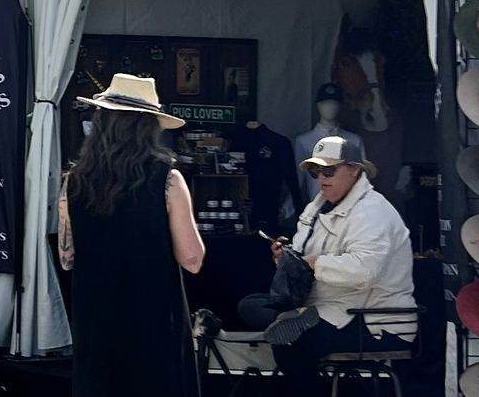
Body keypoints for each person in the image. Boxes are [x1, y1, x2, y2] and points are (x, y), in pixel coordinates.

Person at [58, 75, 204, 397]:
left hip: (96, 317)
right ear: (148, 127)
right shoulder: (168, 179)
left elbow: (67, 259)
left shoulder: (74, 182)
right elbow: (192, 260)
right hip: (153, 318)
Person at [238, 136, 415, 391]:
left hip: (372, 319)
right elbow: (304, 260)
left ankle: (297, 325)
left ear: (355, 169)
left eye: (329, 170)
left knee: (291, 342)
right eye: (315, 171)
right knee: (251, 305)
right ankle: (296, 318)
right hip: (326, 305)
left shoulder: (373, 212)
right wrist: (286, 258)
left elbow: (364, 271)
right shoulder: (317, 207)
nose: (322, 178)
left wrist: (315, 263)